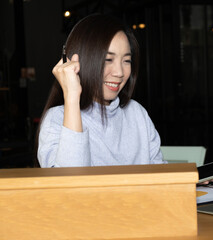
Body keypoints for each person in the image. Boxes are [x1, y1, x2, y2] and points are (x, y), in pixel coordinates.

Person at [36, 14, 165, 168]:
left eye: (126, 61)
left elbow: (162, 177)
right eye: (108, 60)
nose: (119, 72)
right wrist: (72, 96)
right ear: (81, 61)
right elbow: (70, 184)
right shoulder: (57, 118)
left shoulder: (137, 114)